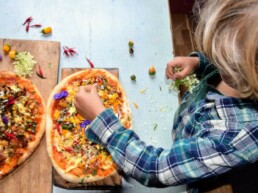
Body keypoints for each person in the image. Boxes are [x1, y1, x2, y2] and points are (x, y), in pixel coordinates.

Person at [74, 0, 258, 191]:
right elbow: (233, 65)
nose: (215, 60)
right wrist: (200, 63)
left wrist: (102, 122)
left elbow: (154, 168)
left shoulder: (238, 138)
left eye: (222, 58)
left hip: (191, 169)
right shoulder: (243, 74)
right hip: (186, 137)